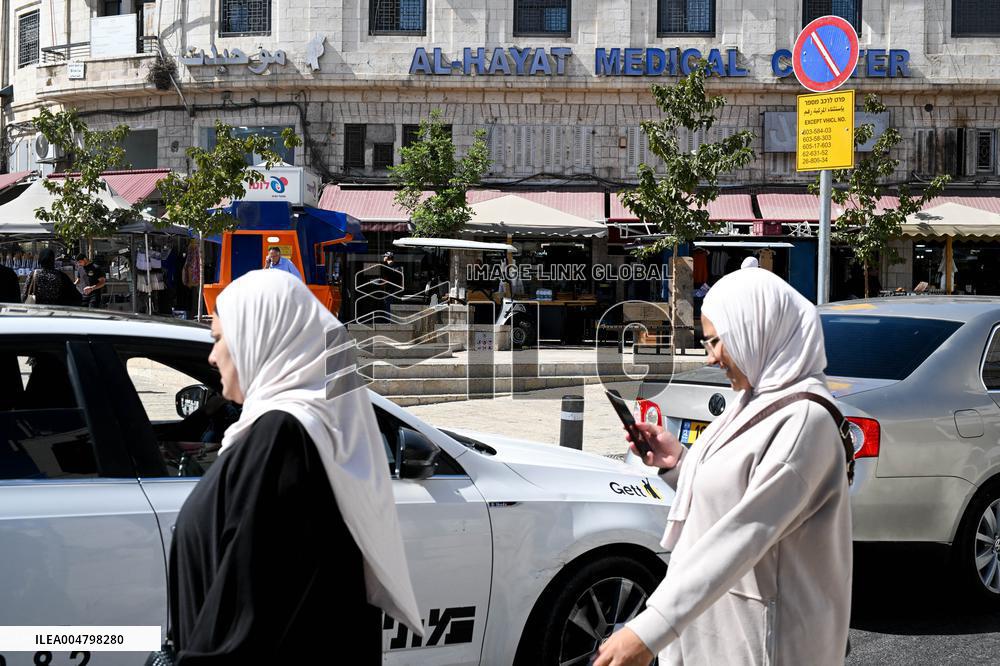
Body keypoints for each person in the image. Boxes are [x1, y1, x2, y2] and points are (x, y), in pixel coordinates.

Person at [596, 268, 852, 666]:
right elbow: (733, 489)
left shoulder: (804, 420)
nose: (711, 356)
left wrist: (649, 628)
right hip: (718, 628)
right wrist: (678, 460)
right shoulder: (753, 400)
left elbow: (745, 531)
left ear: (756, 329)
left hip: (766, 641)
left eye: (717, 341)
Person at [168, 269, 422, 662]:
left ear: (261, 338)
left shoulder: (283, 438)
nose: (212, 356)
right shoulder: (287, 432)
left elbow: (247, 617)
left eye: (219, 338)